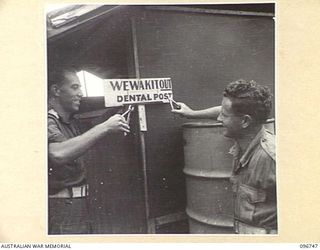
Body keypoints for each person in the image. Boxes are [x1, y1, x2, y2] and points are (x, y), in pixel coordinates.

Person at [172, 79, 277, 234]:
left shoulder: (271, 158)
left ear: (245, 121)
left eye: (224, 115)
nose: (219, 119)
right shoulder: (245, 137)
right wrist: (191, 114)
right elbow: (227, 111)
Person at [47, 66, 130, 234]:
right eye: (75, 87)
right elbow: (57, 153)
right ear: (56, 90)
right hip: (63, 208)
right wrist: (106, 127)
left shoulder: (70, 121)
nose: (81, 94)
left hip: (79, 204)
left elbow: (91, 127)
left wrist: (121, 104)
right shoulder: (47, 120)